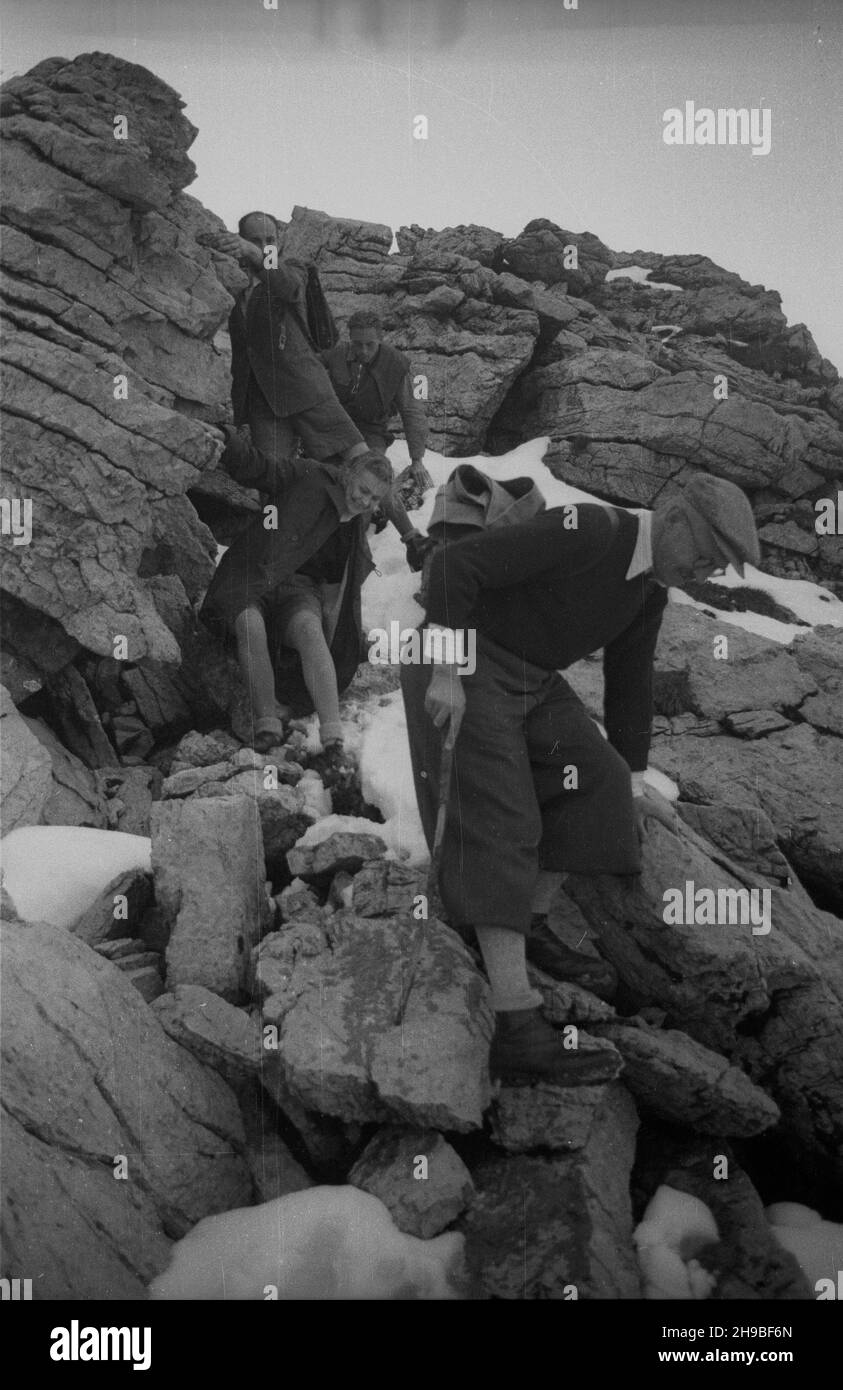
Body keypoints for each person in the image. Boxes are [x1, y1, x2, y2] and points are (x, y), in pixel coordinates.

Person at [400, 473, 761, 1086]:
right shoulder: (591, 531)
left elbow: (630, 686)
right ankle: (516, 1025)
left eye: (717, 567)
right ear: (672, 517)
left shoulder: (649, 593)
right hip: (466, 663)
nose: (706, 572)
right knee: (502, 815)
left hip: (534, 679)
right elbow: (454, 567)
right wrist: (444, 669)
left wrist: (635, 780)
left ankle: (531, 923)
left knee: (600, 784)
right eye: (704, 555)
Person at [200, 427, 394, 757]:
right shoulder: (309, 476)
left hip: (299, 591)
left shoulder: (355, 525)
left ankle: (333, 737)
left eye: (374, 498)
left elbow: (338, 590)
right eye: (363, 490)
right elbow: (261, 467)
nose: (364, 501)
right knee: (250, 624)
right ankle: (267, 725)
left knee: (309, 631)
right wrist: (225, 438)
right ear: (348, 474)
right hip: (254, 576)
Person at [211, 212, 369, 467]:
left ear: (279, 241)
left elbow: (290, 286)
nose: (264, 246)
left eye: (269, 240)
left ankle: (391, 509)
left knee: (362, 462)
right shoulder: (233, 279)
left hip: (306, 388)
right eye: (255, 240)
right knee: (271, 481)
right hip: (263, 401)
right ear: (240, 239)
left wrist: (254, 254)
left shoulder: (293, 268)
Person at [321, 310, 432, 494]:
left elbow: (412, 412)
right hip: (334, 428)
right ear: (350, 339)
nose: (363, 351)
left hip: (371, 431)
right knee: (323, 475)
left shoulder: (396, 364)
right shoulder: (337, 354)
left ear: (380, 339)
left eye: (370, 345)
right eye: (357, 344)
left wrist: (417, 460)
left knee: (368, 477)